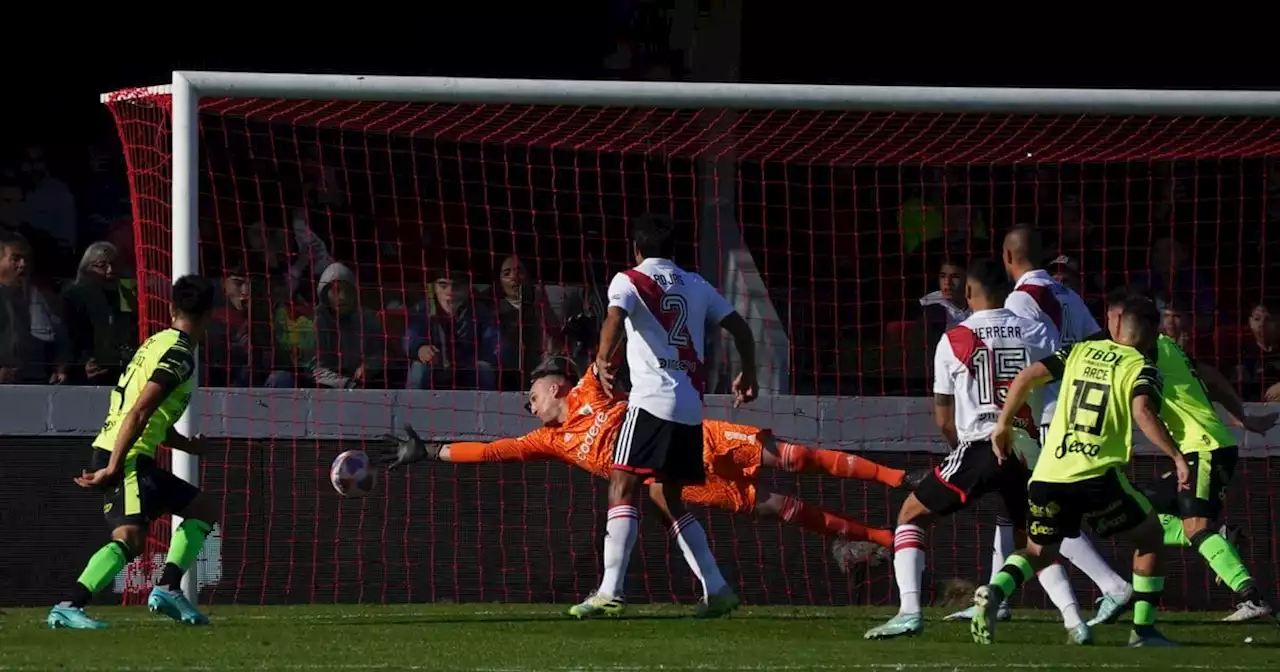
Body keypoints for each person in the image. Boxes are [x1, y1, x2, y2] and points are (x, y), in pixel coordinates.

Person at [379, 357, 912, 598]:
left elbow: (608, 350)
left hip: (691, 438)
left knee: (791, 457)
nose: (529, 404)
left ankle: (894, 478)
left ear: (557, 383)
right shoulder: (550, 440)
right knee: (778, 508)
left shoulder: (591, 388)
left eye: (533, 394)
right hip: (682, 477)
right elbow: (491, 452)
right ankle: (886, 540)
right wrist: (431, 451)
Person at [978, 287, 1278, 625]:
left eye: (1111, 317)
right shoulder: (1164, 348)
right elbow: (1208, 375)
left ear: (1120, 320)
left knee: (1194, 527)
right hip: (1200, 446)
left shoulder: (1144, 355)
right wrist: (1243, 416)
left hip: (1201, 447)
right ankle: (1215, 546)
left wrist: (1183, 452)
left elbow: (1143, 410)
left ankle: (1250, 597)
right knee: (1146, 512)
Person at [864, 259, 1084, 641]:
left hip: (980, 447)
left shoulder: (953, 339)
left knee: (910, 515)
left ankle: (909, 613)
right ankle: (1075, 622)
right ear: (1009, 293)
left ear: (968, 293)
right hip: (1029, 451)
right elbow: (1061, 382)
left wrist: (961, 455)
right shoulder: (1036, 327)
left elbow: (944, 419)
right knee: (1035, 543)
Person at [973, 296, 1186, 647]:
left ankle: (995, 590)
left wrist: (1003, 424)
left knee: (1040, 552)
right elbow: (1143, 412)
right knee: (1149, 537)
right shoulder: (1142, 366)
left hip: (1048, 473)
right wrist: (1176, 457)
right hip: (1096, 475)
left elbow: (1026, 376)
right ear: (1151, 333)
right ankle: (1144, 631)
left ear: (1119, 323)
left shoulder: (1080, 352)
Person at [584, 213, 758, 618]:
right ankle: (716, 588)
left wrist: (601, 359)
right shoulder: (697, 284)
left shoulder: (627, 279)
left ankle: (610, 591)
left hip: (649, 403)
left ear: (638, 250)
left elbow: (614, 318)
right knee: (666, 497)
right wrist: (748, 372)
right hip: (689, 409)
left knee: (621, 484)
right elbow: (743, 330)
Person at [950, 225, 1106, 623]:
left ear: (1007, 256)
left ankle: (1112, 586)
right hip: (1080, 411)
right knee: (1016, 511)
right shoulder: (1066, 294)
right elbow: (1098, 347)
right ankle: (995, 600)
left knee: (1044, 517)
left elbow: (1019, 358)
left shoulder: (1020, 300)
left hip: (1042, 416)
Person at [47, 275, 220, 630]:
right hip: (125, 456)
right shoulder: (179, 355)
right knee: (129, 537)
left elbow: (150, 416)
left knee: (202, 508)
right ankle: (69, 604)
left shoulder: (155, 343)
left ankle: (169, 587)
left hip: (127, 452)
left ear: (172, 309)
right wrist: (113, 467)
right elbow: (139, 410)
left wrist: (188, 446)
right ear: (209, 316)